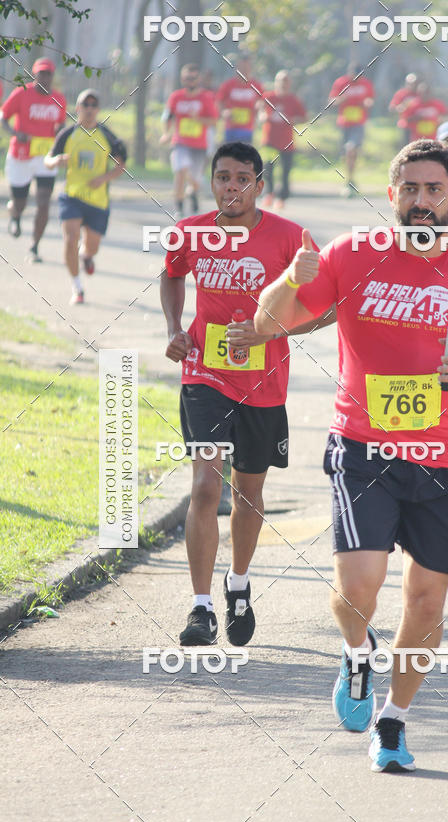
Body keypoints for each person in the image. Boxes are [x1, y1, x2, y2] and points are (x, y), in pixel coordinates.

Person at [256, 139, 448, 773]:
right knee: (359, 586)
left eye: (434, 190)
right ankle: (356, 654)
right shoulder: (352, 255)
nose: (422, 202)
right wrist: (287, 278)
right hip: (364, 447)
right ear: (391, 196)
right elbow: (272, 322)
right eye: (410, 190)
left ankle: (394, 720)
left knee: (428, 602)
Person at [160, 141, 331, 648]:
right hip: (204, 373)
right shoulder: (190, 232)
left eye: (242, 178)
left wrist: (271, 332)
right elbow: (171, 275)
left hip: (263, 381)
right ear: (210, 181)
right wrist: (174, 326)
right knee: (206, 487)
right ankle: (200, 608)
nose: (231, 187)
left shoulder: (290, 238)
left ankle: (237, 585)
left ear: (259, 185)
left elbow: (327, 307)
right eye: (222, 177)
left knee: (249, 492)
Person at [44, 89, 127, 305]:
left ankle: (87, 256)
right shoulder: (67, 134)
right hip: (72, 196)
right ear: (77, 108)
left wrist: (103, 178)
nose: (89, 109)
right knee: (70, 239)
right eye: (85, 105)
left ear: (98, 110)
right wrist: (56, 161)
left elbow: (121, 165)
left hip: (98, 200)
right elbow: (48, 159)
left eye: (93, 105)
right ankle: (77, 287)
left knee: (92, 246)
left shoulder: (107, 136)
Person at [0, 57, 66, 262]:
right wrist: (14, 133)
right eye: (41, 73)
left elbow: (61, 125)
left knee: (44, 202)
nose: (45, 77)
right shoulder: (21, 93)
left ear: (52, 76)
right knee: (20, 201)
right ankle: (16, 215)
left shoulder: (59, 99)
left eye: (48, 74)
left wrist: (59, 140)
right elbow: (3, 116)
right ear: (34, 75)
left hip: (45, 156)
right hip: (21, 154)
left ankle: (34, 246)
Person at [160, 64, 217, 216]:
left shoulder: (206, 97)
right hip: (180, 143)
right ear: (182, 79)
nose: (190, 81)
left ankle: (193, 192)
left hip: (199, 145)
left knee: (195, 180)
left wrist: (198, 119)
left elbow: (213, 121)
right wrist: (166, 133)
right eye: (187, 78)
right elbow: (167, 116)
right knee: (180, 172)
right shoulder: (176, 97)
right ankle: (179, 208)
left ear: (198, 79)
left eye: (193, 78)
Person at [257, 70, 306, 210]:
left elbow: (303, 117)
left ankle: (281, 198)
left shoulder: (293, 100)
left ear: (289, 83)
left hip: (286, 142)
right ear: (276, 82)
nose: (283, 84)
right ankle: (269, 194)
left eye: (286, 81)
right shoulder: (268, 97)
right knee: (268, 168)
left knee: (285, 171)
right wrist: (262, 117)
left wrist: (293, 120)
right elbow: (260, 109)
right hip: (270, 140)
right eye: (280, 81)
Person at [328, 64, 374, 197]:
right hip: (344, 123)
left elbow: (370, 100)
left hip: (358, 123)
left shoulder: (366, 84)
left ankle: (350, 180)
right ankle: (349, 179)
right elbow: (332, 101)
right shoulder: (341, 83)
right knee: (346, 153)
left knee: (351, 149)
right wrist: (343, 99)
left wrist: (366, 103)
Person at [215, 54, 264, 143]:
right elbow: (219, 101)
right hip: (230, 128)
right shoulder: (228, 85)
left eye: (246, 67)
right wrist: (223, 112)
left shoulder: (256, 85)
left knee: (244, 154)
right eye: (241, 68)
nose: (244, 70)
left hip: (247, 129)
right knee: (230, 154)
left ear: (251, 68)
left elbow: (262, 102)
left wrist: (259, 108)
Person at [388, 73, 419, 145]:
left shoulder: (420, 94)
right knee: (405, 146)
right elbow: (392, 108)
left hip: (418, 126)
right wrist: (400, 107)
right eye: (410, 83)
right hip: (405, 125)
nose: (413, 85)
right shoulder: (401, 94)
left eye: (414, 83)